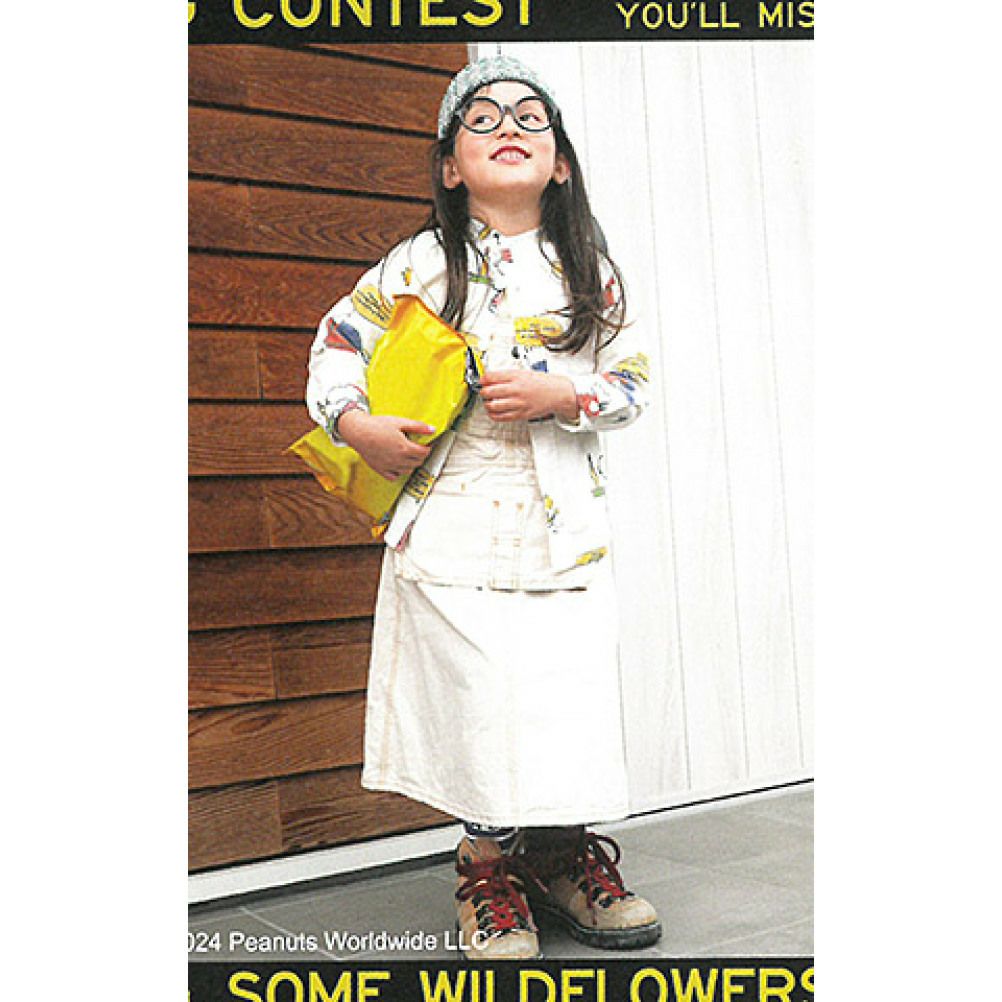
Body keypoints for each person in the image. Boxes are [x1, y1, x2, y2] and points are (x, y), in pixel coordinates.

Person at [306, 55, 659, 960]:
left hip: (560, 525)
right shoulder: (418, 264)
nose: (508, 125)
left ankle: (560, 856)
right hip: (453, 519)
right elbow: (338, 344)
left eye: (530, 117)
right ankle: (488, 869)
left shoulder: (591, 270)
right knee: (478, 703)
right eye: (483, 116)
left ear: (562, 163)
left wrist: (565, 396)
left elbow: (632, 379)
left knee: (561, 698)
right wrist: (357, 425)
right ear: (450, 165)